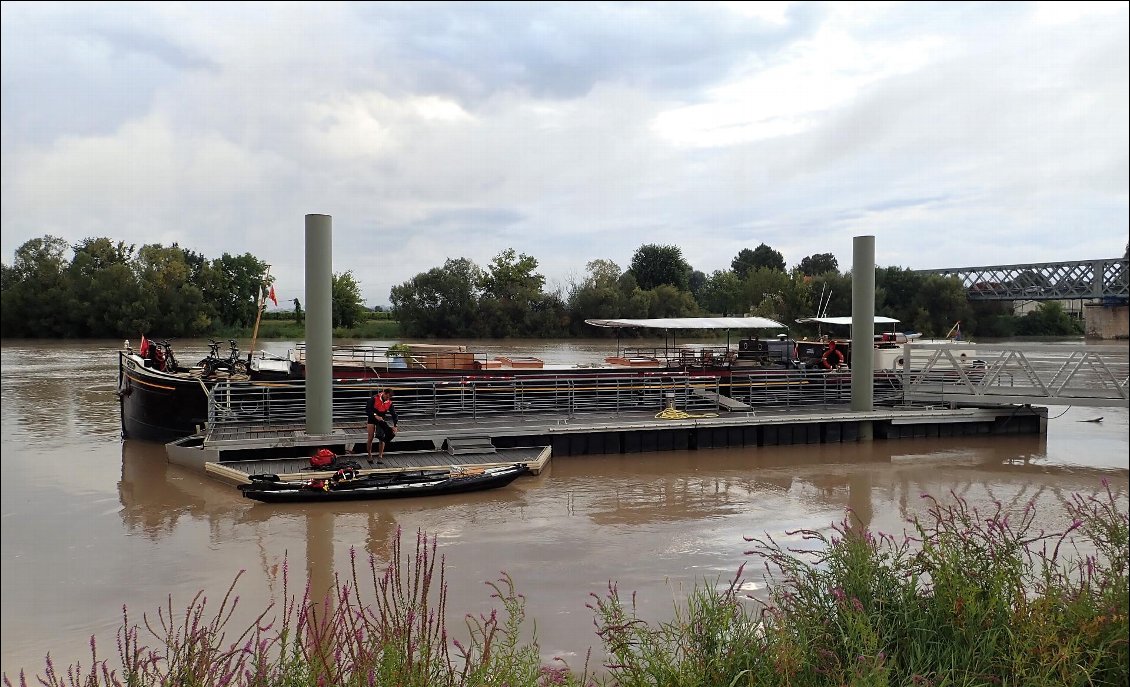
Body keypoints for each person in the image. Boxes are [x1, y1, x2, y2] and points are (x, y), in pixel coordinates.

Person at [365, 388, 398, 465]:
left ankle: (380, 456)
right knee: (370, 437)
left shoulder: (389, 402)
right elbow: (367, 409)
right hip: (372, 417)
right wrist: (375, 415)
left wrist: (395, 425)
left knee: (382, 438)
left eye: (389, 398)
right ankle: (369, 455)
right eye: (387, 397)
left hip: (381, 418)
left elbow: (394, 414)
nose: (388, 399)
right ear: (384, 393)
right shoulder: (374, 398)